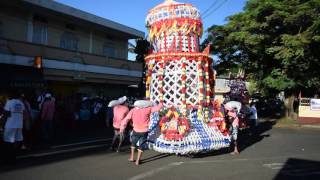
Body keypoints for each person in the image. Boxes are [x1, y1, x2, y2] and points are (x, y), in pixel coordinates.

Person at [120, 101, 163, 165]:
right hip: (144, 131)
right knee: (141, 145)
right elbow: (158, 108)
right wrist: (161, 102)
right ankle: (137, 160)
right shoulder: (148, 109)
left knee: (133, 143)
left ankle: (132, 157)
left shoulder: (133, 110)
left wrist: (122, 128)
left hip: (136, 130)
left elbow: (126, 119)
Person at [3, 90, 25, 161]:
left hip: (10, 125)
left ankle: (9, 156)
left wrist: (3, 124)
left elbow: (6, 114)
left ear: (12, 95)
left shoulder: (9, 102)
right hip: (19, 124)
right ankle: (14, 155)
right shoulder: (21, 103)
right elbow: (23, 113)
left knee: (8, 141)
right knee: (17, 140)